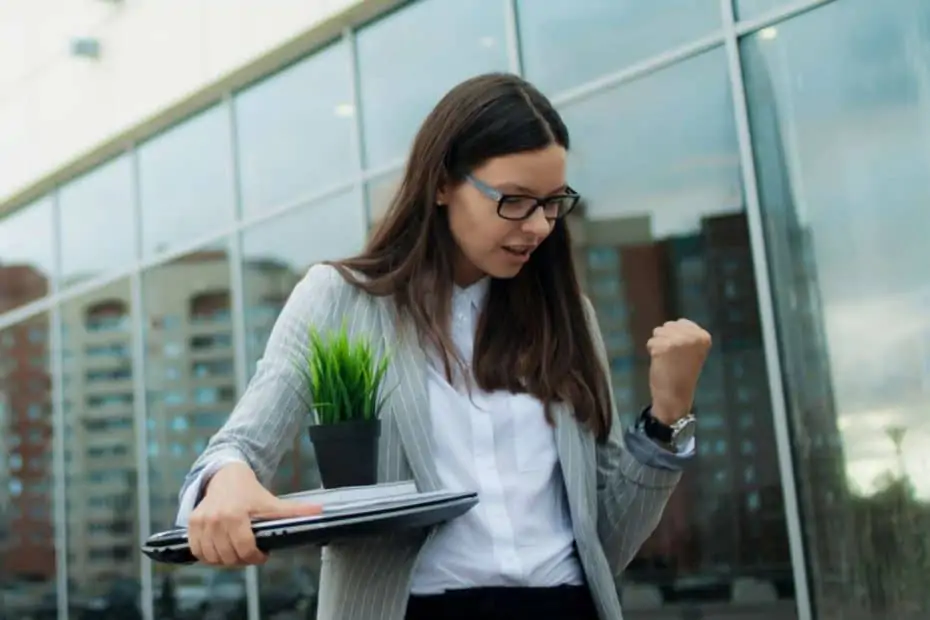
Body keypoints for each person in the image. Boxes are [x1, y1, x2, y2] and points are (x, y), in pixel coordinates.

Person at [176, 72, 711, 620]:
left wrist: (667, 419)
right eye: (514, 201)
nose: (538, 227)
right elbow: (235, 447)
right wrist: (225, 482)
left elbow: (606, 542)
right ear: (441, 185)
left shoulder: (567, 317)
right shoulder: (340, 301)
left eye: (552, 203)